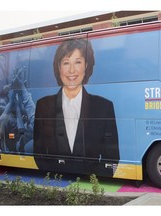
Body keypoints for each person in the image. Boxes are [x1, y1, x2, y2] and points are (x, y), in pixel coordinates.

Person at [33, 38, 120, 176]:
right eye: (66, 63)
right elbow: (38, 151)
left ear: (86, 66)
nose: (71, 70)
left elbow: (112, 156)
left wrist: (94, 180)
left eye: (77, 62)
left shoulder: (104, 107)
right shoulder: (43, 105)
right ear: (59, 67)